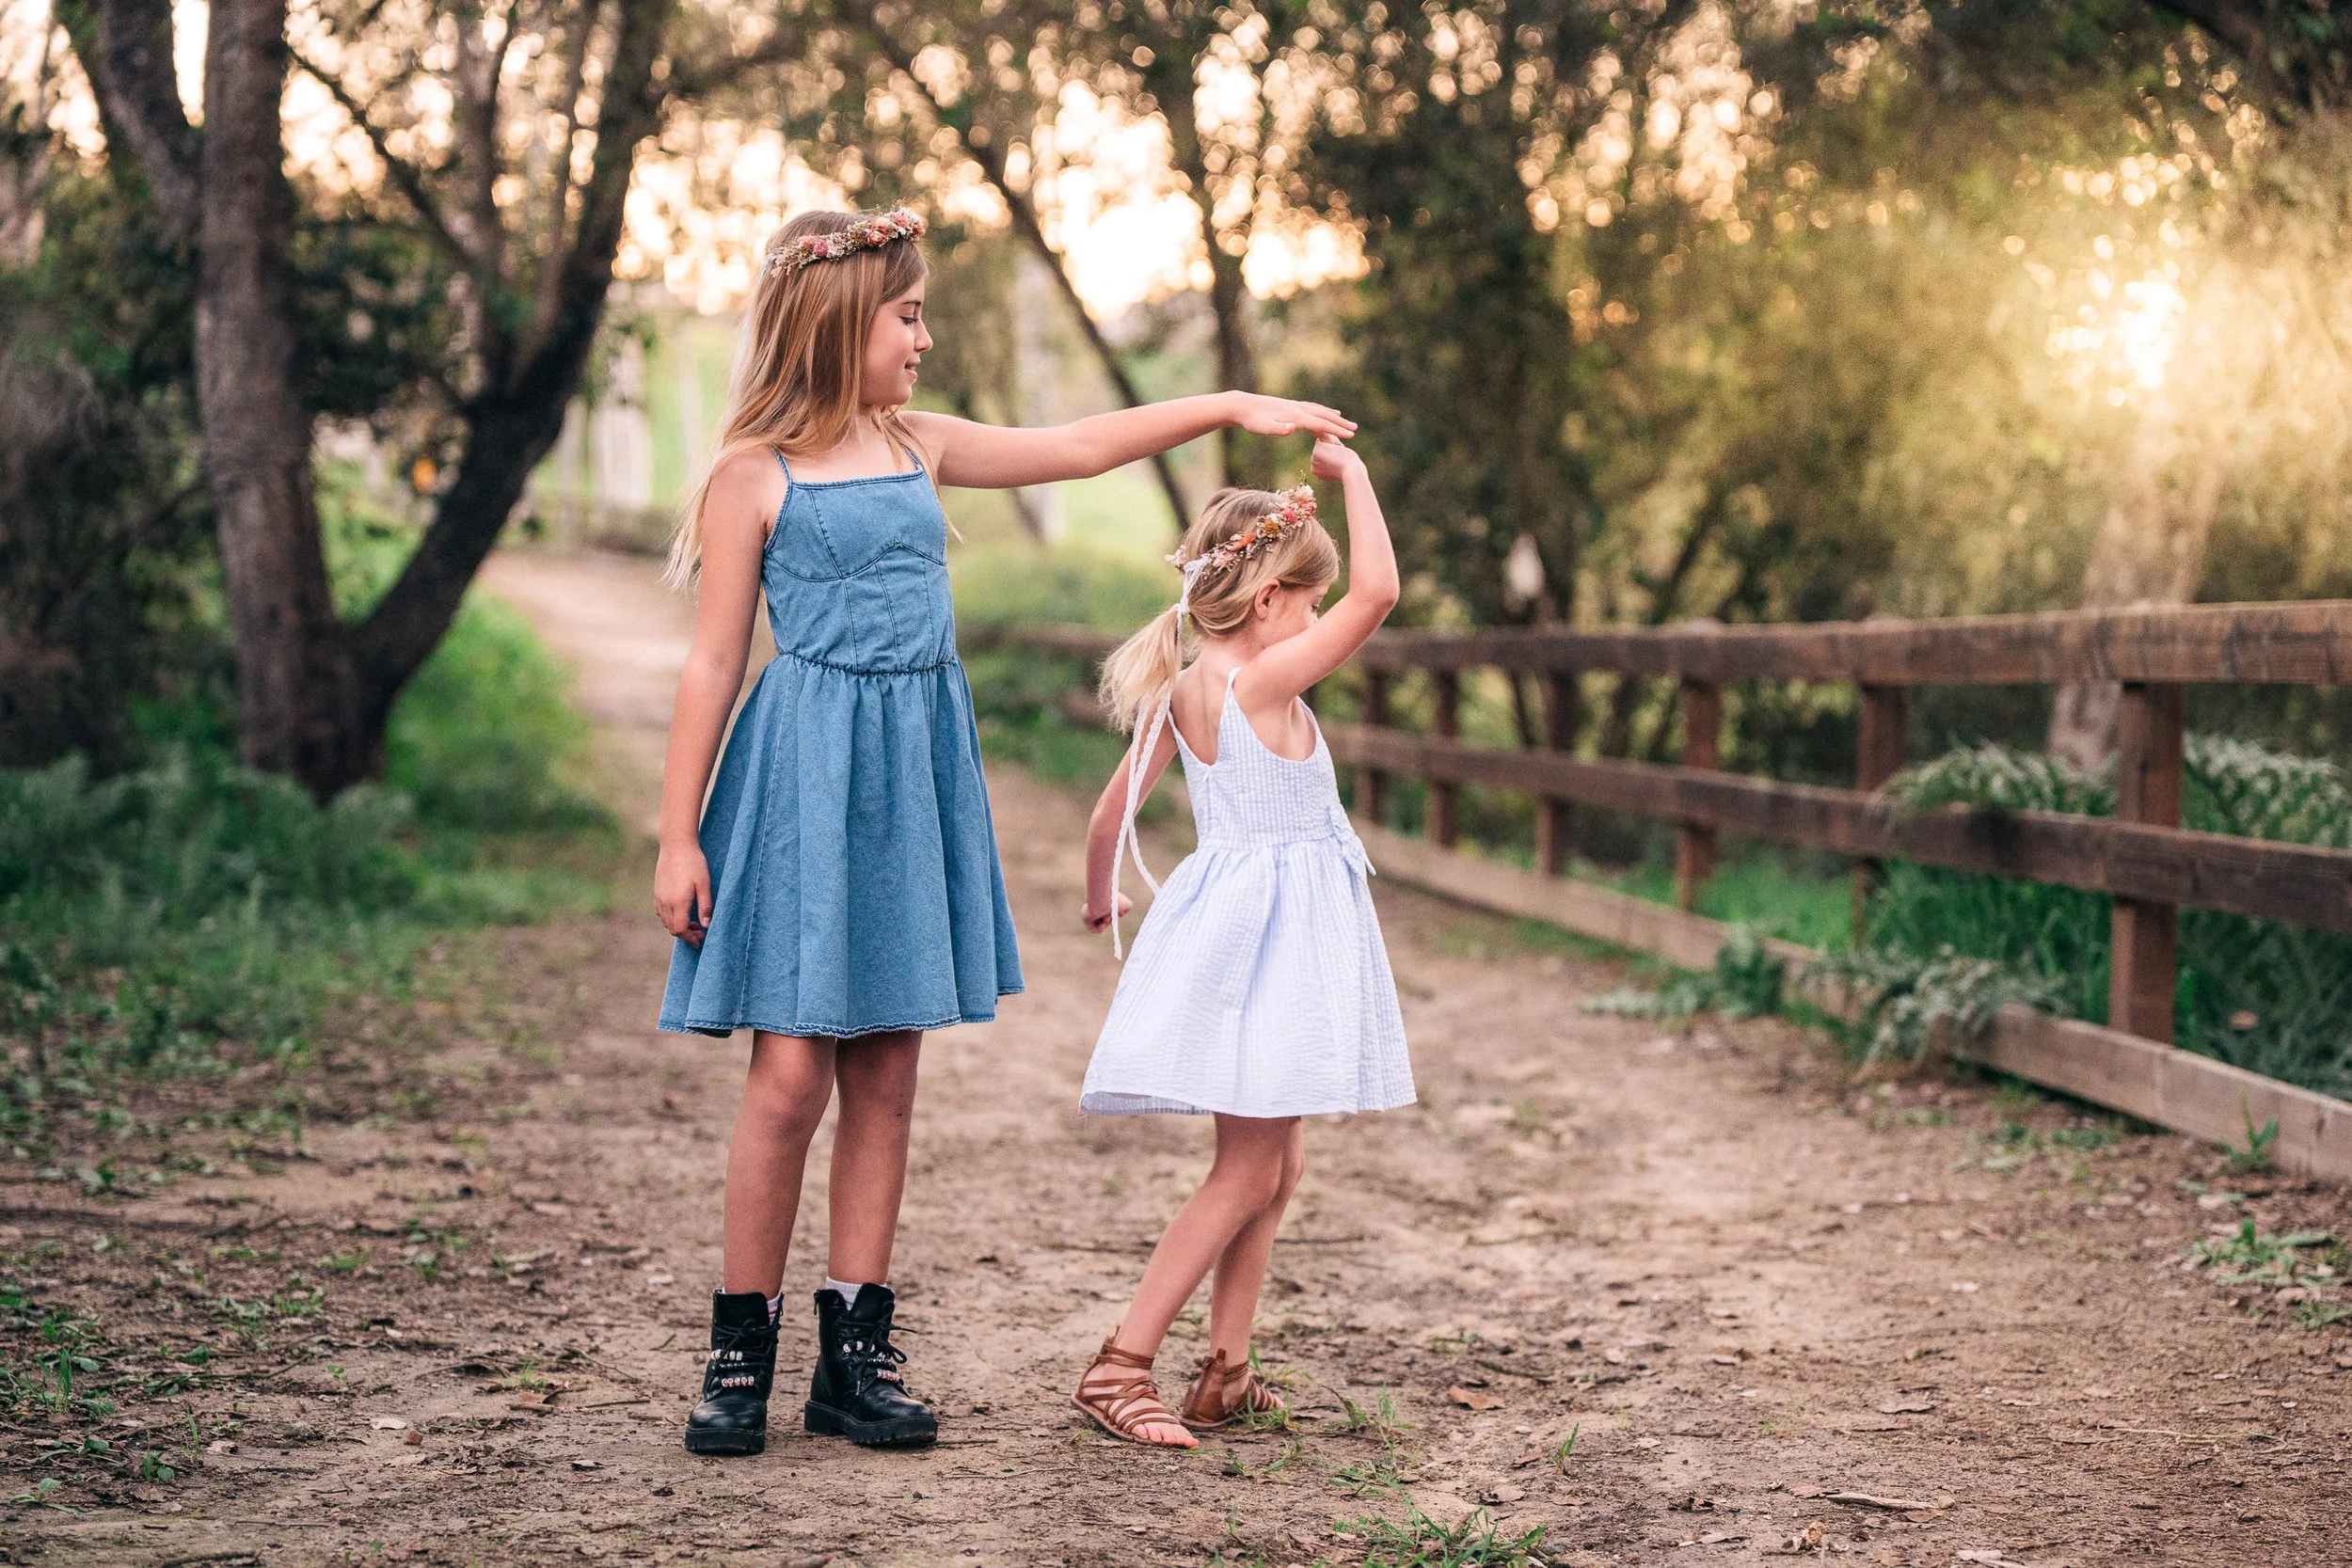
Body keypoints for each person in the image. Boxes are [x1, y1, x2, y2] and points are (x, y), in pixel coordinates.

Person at [651, 204, 1357, 1456]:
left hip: (912, 772)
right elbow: (712, 663)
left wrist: (1228, 406)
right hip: (805, 776)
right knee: (787, 1077)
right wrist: (678, 832)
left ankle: (853, 1356)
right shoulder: (753, 477)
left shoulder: (917, 447)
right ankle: (737, 1351)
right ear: (834, 324)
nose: (922, 338)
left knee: (889, 1073)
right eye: (907, 315)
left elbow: (1080, 445)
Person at [1067, 436, 1412, 1448]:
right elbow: (1380, 593)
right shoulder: (1261, 684)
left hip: (1257, 939)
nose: (1315, 619)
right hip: (1270, 945)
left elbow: (1105, 822)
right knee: (1247, 1169)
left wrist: (1102, 899)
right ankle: (1121, 1362)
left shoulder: (1186, 687)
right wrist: (1354, 479)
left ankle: (1224, 1366)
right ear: (1267, 600)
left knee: (1276, 1161)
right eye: (1308, 601)